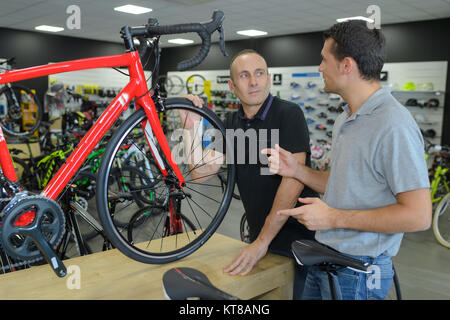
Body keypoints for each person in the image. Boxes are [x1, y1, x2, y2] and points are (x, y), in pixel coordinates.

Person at [262, 21, 432, 300]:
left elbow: (419, 215)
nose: (319, 67)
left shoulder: (393, 124)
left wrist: (331, 217)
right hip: (326, 260)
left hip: (358, 274)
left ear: (346, 66)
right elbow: (341, 180)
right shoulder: (346, 117)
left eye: (324, 59)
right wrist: (297, 170)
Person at [183, 49, 318, 299]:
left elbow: (293, 182)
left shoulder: (288, 114)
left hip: (297, 242)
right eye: (244, 76)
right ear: (233, 87)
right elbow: (201, 173)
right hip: (261, 241)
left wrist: (261, 242)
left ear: (268, 78)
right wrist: (190, 127)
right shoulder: (231, 123)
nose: (254, 81)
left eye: (259, 73)